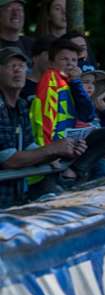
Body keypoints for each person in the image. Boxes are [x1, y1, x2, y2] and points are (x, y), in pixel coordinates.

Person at [0, 47, 87, 205]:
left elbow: (29, 146)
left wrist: (63, 150)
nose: (17, 70)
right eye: (10, 66)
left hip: (14, 196)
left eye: (21, 65)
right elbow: (8, 160)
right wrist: (53, 149)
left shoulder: (21, 105)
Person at [31, 37, 105, 183]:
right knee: (101, 168)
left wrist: (77, 81)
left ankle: (73, 171)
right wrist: (48, 151)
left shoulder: (71, 82)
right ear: (52, 62)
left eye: (73, 60)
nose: (70, 64)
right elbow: (43, 120)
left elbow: (88, 114)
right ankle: (72, 176)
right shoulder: (50, 80)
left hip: (71, 142)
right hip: (54, 147)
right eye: (64, 59)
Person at [21, 35, 54, 101]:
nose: (53, 59)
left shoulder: (61, 86)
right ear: (35, 57)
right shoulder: (20, 85)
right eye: (50, 55)